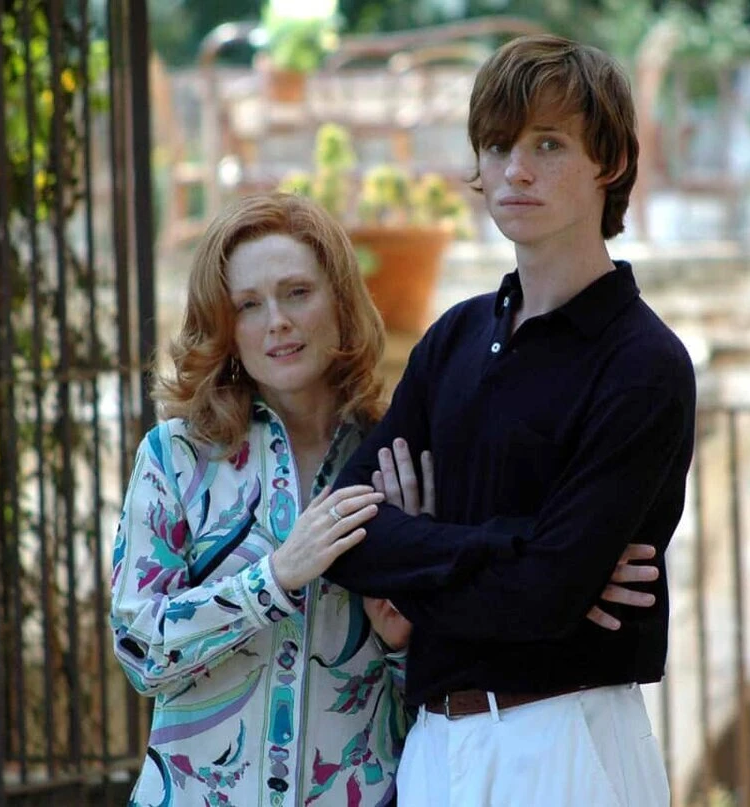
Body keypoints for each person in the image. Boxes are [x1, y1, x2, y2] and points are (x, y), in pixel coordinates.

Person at [108, 192, 655, 807]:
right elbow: (139, 650)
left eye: (297, 293)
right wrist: (275, 578)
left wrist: (405, 643)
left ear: (340, 302)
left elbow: (451, 674)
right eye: (248, 305)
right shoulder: (176, 457)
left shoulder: (399, 451)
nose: (277, 321)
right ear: (225, 327)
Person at [323, 35, 697, 807]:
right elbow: (346, 536)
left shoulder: (643, 362)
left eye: (548, 145)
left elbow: (544, 597)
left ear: (610, 162)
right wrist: (520, 550)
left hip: (564, 739)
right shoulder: (452, 338)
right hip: (434, 745)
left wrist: (420, 555)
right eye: (497, 146)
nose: (515, 170)